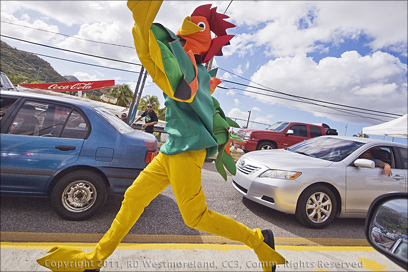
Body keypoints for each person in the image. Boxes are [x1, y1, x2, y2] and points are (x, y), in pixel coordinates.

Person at [36, 1, 286, 271]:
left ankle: (258, 240)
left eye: (198, 26)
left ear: (204, 41)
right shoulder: (186, 64)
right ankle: (94, 259)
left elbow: (173, 80)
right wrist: (143, 27)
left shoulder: (192, 69)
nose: (186, 29)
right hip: (171, 151)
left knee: (195, 218)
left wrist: (145, 26)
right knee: (133, 198)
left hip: (187, 152)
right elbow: (156, 62)